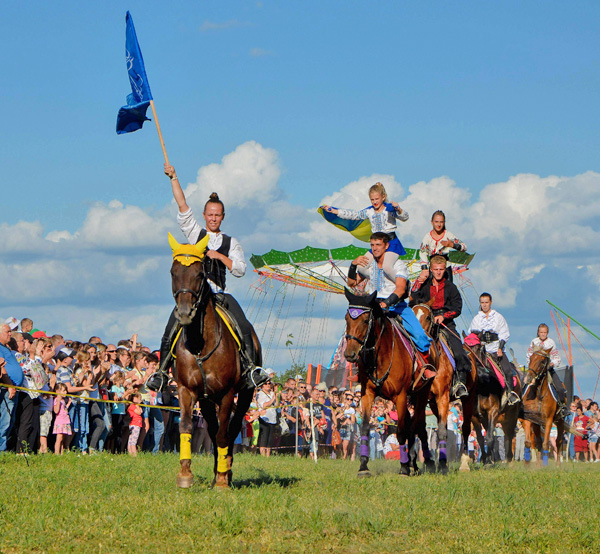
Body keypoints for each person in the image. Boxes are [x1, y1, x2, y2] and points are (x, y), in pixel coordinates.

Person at [161, 163, 268, 387]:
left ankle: (251, 367)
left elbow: (240, 269)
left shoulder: (230, 242)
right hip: (195, 295)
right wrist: (173, 177)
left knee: (243, 325)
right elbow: (183, 207)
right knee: (171, 326)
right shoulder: (195, 233)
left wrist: (220, 257)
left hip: (219, 294)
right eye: (210, 214)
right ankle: (161, 371)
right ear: (204, 215)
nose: (213, 218)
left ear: (222, 217)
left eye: (217, 215)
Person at [347, 232, 433, 373]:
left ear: (386, 246)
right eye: (372, 245)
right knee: (359, 330)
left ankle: (424, 366)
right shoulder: (369, 265)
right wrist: (353, 265)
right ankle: (360, 370)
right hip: (374, 305)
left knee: (420, 335)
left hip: (396, 305)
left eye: (378, 245)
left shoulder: (398, 265)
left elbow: (400, 289)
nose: (375, 248)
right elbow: (351, 283)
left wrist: (387, 303)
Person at [410, 255, 471, 398]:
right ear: (431, 269)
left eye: (441, 269)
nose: (438, 272)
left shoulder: (451, 287)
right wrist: (419, 280)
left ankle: (459, 383)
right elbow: (413, 297)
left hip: (446, 322)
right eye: (435, 269)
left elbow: (458, 308)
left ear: (445, 270)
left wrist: (444, 316)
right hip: (426, 320)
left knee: (458, 349)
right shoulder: (424, 285)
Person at [321, 182, 408, 281]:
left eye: (377, 199)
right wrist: (335, 211)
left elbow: (405, 217)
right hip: (377, 244)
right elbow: (354, 215)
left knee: (387, 268)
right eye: (372, 200)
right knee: (361, 267)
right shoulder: (369, 211)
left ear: (383, 197)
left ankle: (404, 285)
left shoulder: (389, 209)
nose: (375, 202)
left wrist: (399, 209)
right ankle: (379, 281)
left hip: (391, 243)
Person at [468, 293, 519, 405]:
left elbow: (504, 333)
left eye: (486, 302)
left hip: (496, 348)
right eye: (482, 303)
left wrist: (500, 348)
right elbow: (472, 335)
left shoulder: (498, 317)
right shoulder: (476, 319)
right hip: (482, 350)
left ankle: (510, 394)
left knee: (508, 372)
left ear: (491, 302)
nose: (484, 305)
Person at [526, 323, 568, 416]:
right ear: (538, 332)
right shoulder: (534, 342)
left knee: (560, 388)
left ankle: (562, 407)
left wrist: (552, 363)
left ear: (547, 333)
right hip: (535, 370)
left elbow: (556, 357)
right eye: (541, 332)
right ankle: (521, 405)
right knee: (525, 385)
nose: (543, 334)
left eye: (545, 332)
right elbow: (529, 355)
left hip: (548, 369)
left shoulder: (551, 343)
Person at [417, 210, 467, 283]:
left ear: (444, 223)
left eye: (441, 222)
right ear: (432, 222)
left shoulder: (448, 235)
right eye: (436, 222)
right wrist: (424, 269)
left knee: (449, 290)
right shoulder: (427, 237)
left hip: (446, 267)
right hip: (433, 268)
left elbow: (464, 247)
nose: (439, 224)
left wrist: (452, 245)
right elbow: (423, 253)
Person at [0, 323, 24, 452]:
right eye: (7, 331)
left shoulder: (6, 347)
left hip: (13, 389)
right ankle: (1, 451)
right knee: (5, 421)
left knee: (10, 421)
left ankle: (5, 449)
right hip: (6, 390)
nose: (10, 334)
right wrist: (9, 385)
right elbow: (2, 368)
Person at [53, 383, 72, 455]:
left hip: (65, 420)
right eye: (63, 391)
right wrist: (58, 400)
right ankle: (56, 453)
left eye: (66, 390)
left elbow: (64, 409)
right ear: (58, 391)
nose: (65, 392)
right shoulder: (56, 400)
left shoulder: (63, 401)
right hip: (60, 421)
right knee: (59, 438)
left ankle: (61, 453)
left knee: (62, 438)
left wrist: (69, 403)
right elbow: (56, 410)